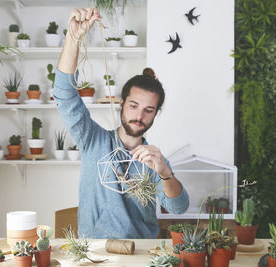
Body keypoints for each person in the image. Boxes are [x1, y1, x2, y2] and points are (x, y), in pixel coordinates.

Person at [54, 7, 189, 239]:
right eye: (134, 106)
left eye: (149, 110)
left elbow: (179, 207)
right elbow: (64, 94)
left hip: (141, 253)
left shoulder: (152, 160)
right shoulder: (92, 140)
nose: (139, 116)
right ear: (121, 104)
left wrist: (165, 173)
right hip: (94, 252)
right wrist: (73, 38)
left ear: (156, 114)